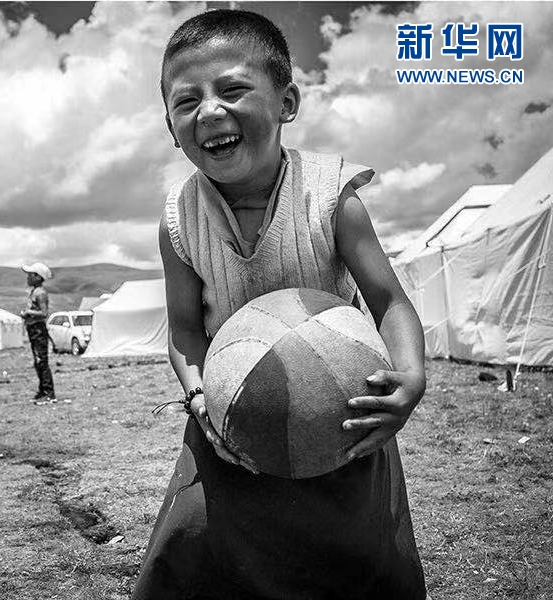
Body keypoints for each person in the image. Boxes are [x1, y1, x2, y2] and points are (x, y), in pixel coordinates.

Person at [132, 9, 426, 600]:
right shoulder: (178, 221)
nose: (209, 111)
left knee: (359, 564)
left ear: (287, 102)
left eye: (232, 90)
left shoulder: (331, 198)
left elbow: (389, 300)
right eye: (186, 101)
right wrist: (199, 398)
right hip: (228, 419)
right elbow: (185, 330)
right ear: (170, 127)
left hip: (341, 413)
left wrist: (411, 378)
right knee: (198, 554)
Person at [20, 262, 57, 405]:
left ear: (37, 277)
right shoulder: (35, 292)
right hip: (34, 329)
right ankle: (43, 391)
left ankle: (49, 392)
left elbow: (44, 313)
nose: (27, 278)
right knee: (38, 361)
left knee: (41, 361)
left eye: (30, 275)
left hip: (38, 330)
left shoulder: (40, 293)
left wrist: (28, 312)